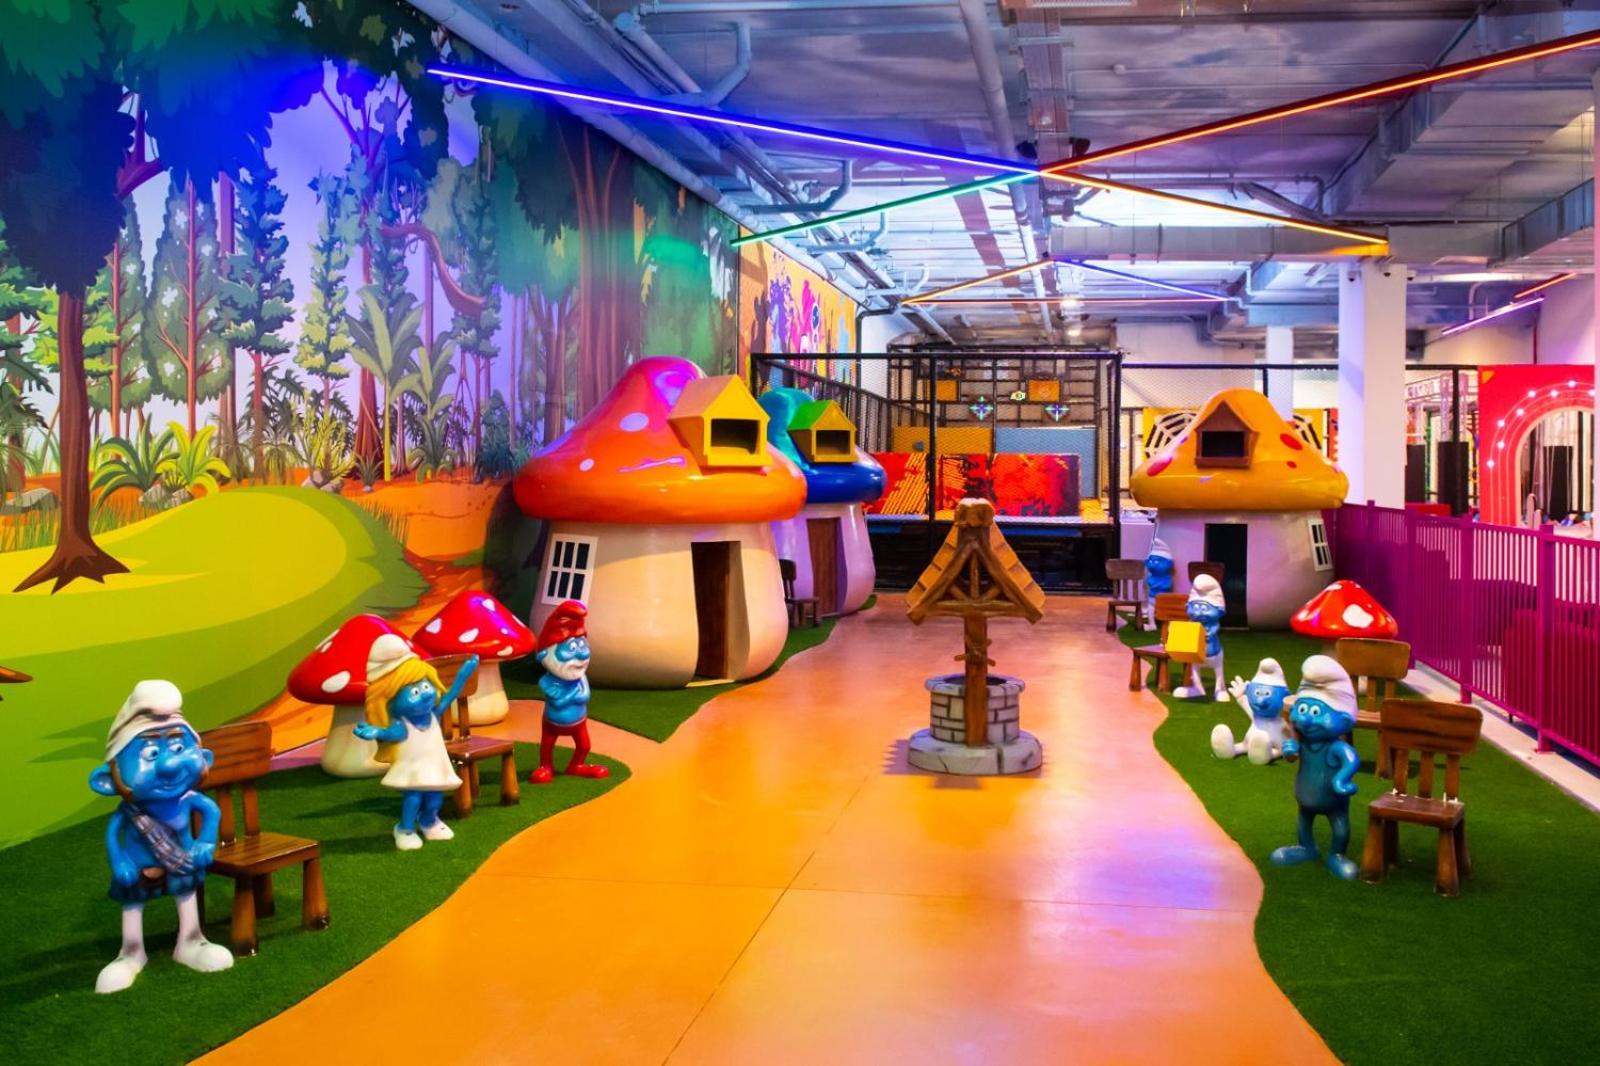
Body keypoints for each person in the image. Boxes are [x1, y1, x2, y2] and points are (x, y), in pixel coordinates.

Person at [88, 681, 234, 993]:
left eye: (179, 748)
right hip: (138, 869)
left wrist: (205, 841)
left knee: (186, 894)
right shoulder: (130, 812)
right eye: (151, 753)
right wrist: (120, 862)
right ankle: (131, 952)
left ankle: (191, 941)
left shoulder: (188, 799)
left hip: (182, 862)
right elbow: (114, 835)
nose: (169, 765)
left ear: (204, 758)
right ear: (107, 780)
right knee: (133, 904)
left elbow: (210, 811)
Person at [353, 634, 478, 851]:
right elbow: (388, 733)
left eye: (427, 686)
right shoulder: (403, 725)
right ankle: (405, 829)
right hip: (412, 771)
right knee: (413, 800)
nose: (426, 695)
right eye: (415, 692)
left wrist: (462, 675)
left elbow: (449, 696)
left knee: (435, 799)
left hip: (434, 768)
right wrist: (374, 731)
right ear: (390, 701)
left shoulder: (433, 715)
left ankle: (429, 821)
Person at [532, 600, 609, 784]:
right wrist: (573, 695)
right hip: (552, 723)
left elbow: (585, 696)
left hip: (578, 722)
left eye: (582, 645)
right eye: (572, 648)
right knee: (547, 747)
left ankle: (576, 765)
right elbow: (558, 703)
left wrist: (568, 696)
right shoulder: (546, 680)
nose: (581, 654)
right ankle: (546, 767)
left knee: (584, 746)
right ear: (545, 655)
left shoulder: (580, 677)